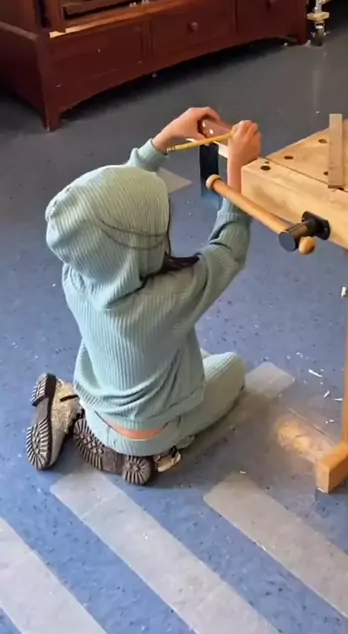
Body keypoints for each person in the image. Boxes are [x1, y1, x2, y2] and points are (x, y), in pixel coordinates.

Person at [26, 108, 261, 485]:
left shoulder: (77, 272)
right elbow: (229, 249)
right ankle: (155, 451)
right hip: (153, 429)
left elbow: (110, 205)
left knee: (181, 354)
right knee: (231, 366)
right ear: (138, 248)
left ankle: (71, 405)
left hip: (100, 401)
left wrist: (165, 137)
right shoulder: (165, 300)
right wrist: (237, 172)